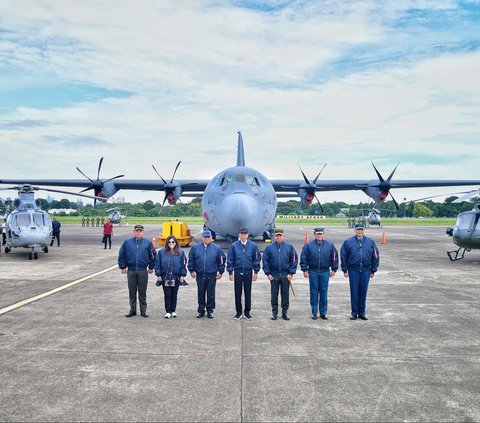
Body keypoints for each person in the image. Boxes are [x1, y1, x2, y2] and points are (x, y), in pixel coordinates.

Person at [341, 222, 379, 321]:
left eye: (362, 229)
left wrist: (373, 270)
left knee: (363, 292)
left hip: (366, 270)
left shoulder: (370, 242)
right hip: (353, 270)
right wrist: (345, 269)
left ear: (364, 230)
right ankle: (354, 313)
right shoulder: (348, 242)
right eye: (358, 229)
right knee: (354, 292)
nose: (360, 231)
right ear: (355, 230)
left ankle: (362, 312)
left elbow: (375, 256)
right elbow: (344, 256)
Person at [118, 224, 156, 318]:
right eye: (137, 231)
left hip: (143, 271)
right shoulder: (127, 243)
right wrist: (123, 267)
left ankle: (143, 311)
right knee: (132, 291)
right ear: (134, 232)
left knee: (142, 292)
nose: (138, 233)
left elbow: (153, 256)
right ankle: (133, 310)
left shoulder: (148, 243)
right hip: (131, 271)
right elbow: (121, 255)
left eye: (140, 231)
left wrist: (151, 267)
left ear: (143, 232)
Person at [300, 228, 338, 320]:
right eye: (317, 234)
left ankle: (323, 312)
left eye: (321, 234)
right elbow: (303, 258)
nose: (319, 236)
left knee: (324, 292)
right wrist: (304, 270)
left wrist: (334, 269)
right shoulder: (308, 246)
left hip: (325, 271)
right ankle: (314, 312)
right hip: (313, 272)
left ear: (323, 235)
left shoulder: (330, 245)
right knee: (313, 292)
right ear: (314, 235)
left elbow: (334, 257)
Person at [188, 230, 225, 319]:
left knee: (211, 294)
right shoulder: (195, 248)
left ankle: (210, 310)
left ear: (211, 238)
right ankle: (201, 310)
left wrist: (220, 272)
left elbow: (221, 260)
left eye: (208, 237)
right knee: (201, 293)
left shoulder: (217, 248)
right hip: (200, 274)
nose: (207, 238)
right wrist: (191, 270)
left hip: (212, 275)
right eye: (205, 237)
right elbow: (191, 259)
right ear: (202, 238)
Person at [262, 229, 298, 320]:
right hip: (274, 275)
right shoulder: (269, 248)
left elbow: (294, 260)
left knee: (285, 295)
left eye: (280, 235)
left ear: (283, 236)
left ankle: (285, 312)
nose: (278, 237)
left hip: (286, 275)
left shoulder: (289, 247)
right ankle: (274, 312)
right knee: (274, 295)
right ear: (274, 237)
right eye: (277, 236)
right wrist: (268, 273)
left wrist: (291, 273)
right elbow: (265, 261)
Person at [227, 227, 261, 320]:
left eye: (245, 233)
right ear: (239, 234)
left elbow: (256, 259)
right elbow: (230, 259)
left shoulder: (253, 246)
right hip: (237, 271)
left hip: (248, 272)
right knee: (237, 293)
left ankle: (247, 312)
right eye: (241, 233)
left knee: (248, 293)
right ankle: (238, 312)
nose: (243, 235)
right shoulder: (234, 245)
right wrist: (230, 272)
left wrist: (256, 272)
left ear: (247, 235)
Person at [154, 235, 187, 319]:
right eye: (169, 242)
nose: (171, 243)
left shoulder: (181, 253)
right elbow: (157, 264)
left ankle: (173, 311)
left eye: (173, 242)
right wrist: (158, 275)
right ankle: (168, 311)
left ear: (175, 243)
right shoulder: (161, 252)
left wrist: (182, 275)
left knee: (174, 294)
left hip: (176, 277)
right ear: (167, 243)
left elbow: (183, 265)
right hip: (165, 277)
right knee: (167, 294)